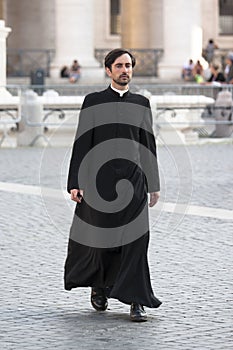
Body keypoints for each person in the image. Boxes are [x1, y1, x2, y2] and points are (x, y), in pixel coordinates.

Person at [64, 48, 162, 322]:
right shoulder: (93, 101)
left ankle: (136, 300)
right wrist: (75, 182)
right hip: (98, 182)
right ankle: (100, 286)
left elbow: (147, 146)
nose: (124, 70)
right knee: (101, 241)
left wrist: (153, 184)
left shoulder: (142, 103)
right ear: (108, 70)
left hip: (134, 182)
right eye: (119, 65)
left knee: (136, 241)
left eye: (128, 65)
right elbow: (82, 142)